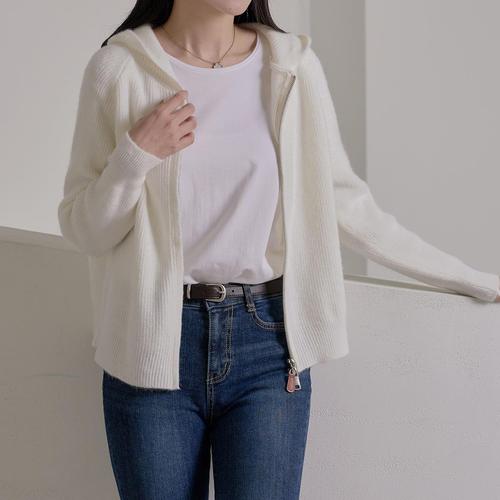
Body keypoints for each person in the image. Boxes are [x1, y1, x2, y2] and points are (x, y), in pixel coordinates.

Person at [57, 0, 500, 498]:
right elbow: (84, 230)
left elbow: (348, 206)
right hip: (151, 342)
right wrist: (135, 156)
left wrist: (476, 281)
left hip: (267, 343)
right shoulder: (118, 69)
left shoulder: (291, 68)